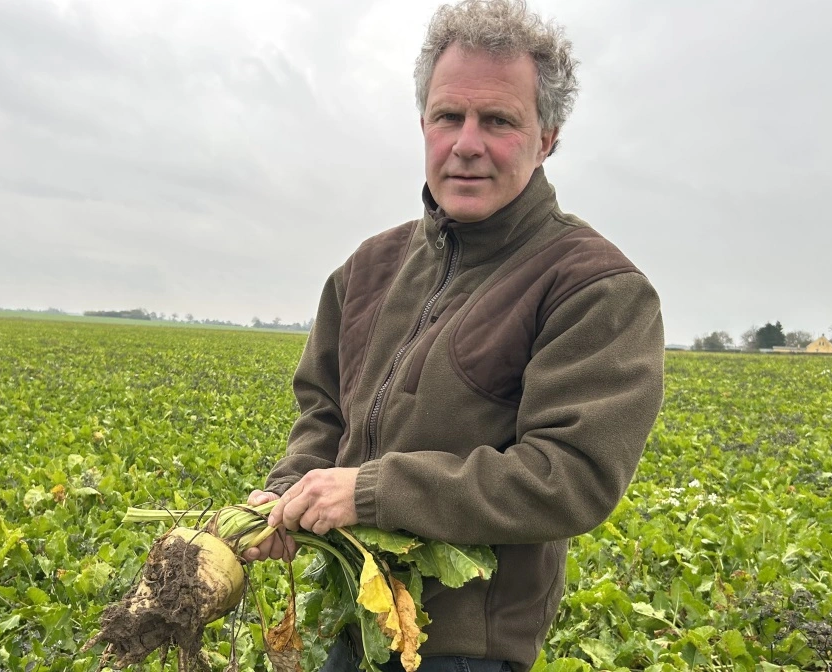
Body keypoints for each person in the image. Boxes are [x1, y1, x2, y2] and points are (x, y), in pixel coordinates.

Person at [244, 1, 665, 670]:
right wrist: (291, 486)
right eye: (449, 117)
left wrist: (374, 491)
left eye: (498, 120)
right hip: (355, 619)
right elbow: (325, 409)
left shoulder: (595, 287)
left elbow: (571, 475)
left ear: (547, 136)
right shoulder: (369, 267)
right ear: (423, 125)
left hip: (464, 650)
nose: (467, 143)